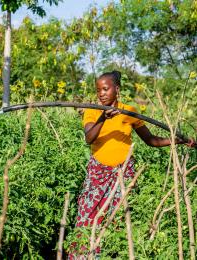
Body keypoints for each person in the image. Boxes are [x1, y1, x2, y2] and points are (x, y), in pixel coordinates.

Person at [68, 70, 196, 259]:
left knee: (117, 219)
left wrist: (177, 140)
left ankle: (110, 255)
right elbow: (89, 138)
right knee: (88, 216)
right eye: (98, 90)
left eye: (105, 89)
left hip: (122, 174)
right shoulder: (92, 111)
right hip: (98, 173)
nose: (101, 93)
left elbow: (151, 140)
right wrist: (103, 118)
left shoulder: (129, 112)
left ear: (116, 89)